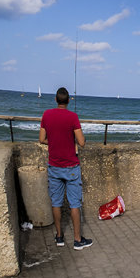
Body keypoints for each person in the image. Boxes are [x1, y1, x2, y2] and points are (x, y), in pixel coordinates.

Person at [39, 87, 93, 250]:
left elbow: (42, 139)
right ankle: (77, 240)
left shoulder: (47, 115)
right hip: (71, 167)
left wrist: (54, 142)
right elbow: (81, 142)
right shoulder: (73, 117)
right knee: (74, 204)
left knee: (56, 202)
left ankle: (59, 236)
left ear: (56, 100)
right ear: (69, 101)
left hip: (54, 166)